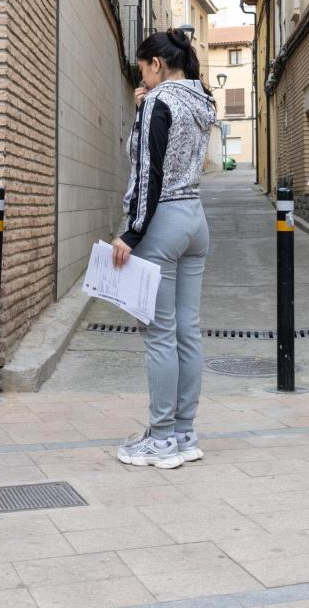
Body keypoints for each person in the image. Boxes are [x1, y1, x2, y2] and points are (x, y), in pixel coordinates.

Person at [111, 30, 216, 470]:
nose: (142, 78)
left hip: (162, 223)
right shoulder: (202, 101)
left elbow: (150, 171)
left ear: (156, 63)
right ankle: (184, 433)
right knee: (187, 331)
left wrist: (131, 233)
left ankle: (160, 439)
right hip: (195, 218)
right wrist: (142, 112)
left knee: (159, 334)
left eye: (143, 69)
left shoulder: (159, 100)